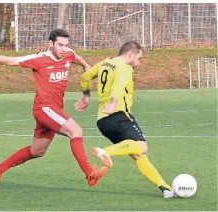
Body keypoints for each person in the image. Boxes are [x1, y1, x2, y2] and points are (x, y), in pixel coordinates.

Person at [0, 29, 108, 192]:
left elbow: (76, 57)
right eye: (60, 45)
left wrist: (86, 66)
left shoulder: (68, 54)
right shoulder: (39, 59)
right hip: (44, 109)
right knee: (76, 131)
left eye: (66, 45)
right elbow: (10, 61)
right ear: (51, 43)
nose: (64, 49)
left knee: (37, 151)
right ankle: (90, 174)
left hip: (54, 111)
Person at [75, 41, 175, 198]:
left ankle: (165, 188)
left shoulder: (105, 63)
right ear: (130, 54)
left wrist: (86, 96)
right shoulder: (125, 67)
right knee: (142, 146)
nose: (138, 63)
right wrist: (114, 102)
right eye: (139, 58)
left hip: (103, 122)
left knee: (137, 154)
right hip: (119, 116)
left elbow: (85, 76)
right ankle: (105, 152)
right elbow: (119, 85)